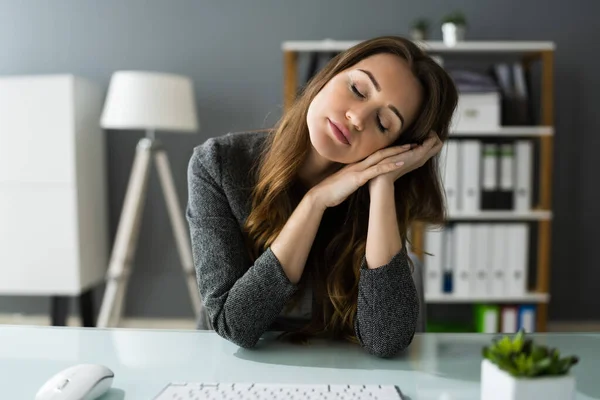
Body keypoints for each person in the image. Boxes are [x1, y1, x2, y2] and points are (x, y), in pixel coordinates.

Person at [186, 35, 458, 358]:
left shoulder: (373, 203)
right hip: (230, 372)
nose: (357, 118)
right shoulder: (217, 164)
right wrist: (315, 202)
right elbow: (235, 325)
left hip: (337, 381)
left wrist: (384, 181)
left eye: (384, 124)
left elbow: (386, 340)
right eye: (357, 89)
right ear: (328, 75)